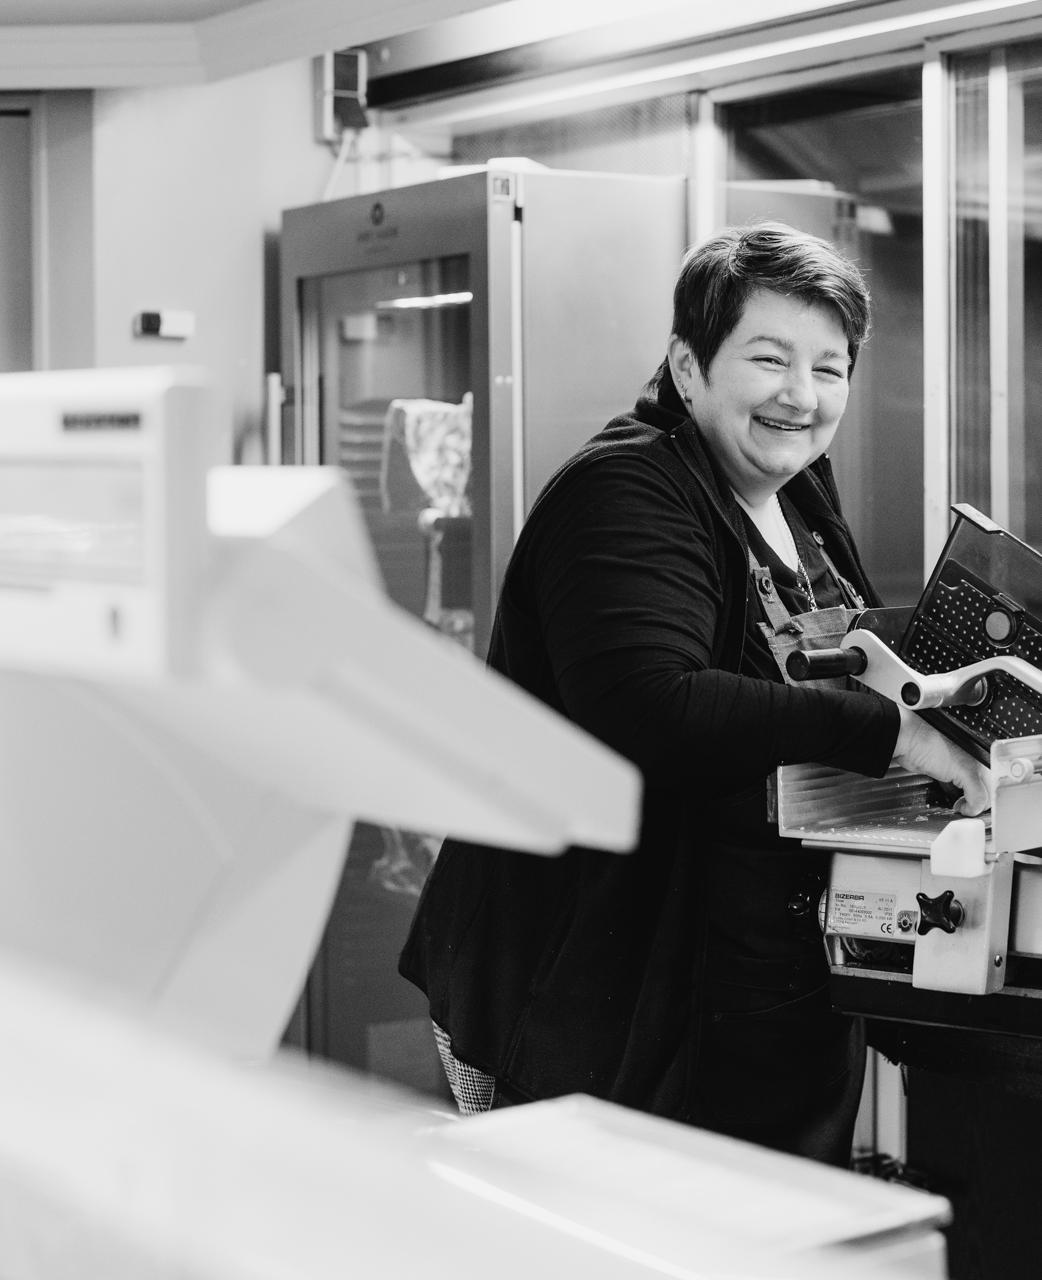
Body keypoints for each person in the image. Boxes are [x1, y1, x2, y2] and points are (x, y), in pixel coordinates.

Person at [400, 221, 990, 1164]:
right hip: (600, 997)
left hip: (756, 983)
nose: (802, 395)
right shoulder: (625, 490)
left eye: (830, 368)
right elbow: (652, 707)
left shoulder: (799, 496)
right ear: (687, 366)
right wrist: (894, 735)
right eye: (770, 359)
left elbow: (836, 669)